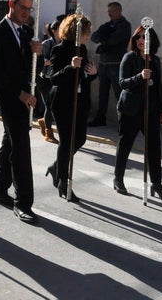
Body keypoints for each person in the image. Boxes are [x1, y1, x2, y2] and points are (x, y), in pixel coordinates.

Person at [0, 0, 43, 223]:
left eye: (29, 9)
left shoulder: (29, 32)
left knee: (10, 141)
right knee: (21, 146)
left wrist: (36, 54)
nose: (26, 13)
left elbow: (31, 69)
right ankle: (24, 203)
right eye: (22, 8)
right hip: (8, 96)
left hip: (25, 95)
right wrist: (19, 93)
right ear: (11, 4)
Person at [113, 26, 162, 201]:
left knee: (154, 148)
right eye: (138, 37)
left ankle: (157, 184)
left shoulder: (155, 60)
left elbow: (158, 87)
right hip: (131, 109)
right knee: (125, 145)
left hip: (151, 110)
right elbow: (122, 83)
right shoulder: (129, 57)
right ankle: (118, 179)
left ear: (152, 41)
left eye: (144, 37)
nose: (141, 40)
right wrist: (140, 76)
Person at [48, 13, 97, 203]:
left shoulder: (83, 49)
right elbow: (54, 78)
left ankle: (56, 167)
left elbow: (85, 76)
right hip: (62, 101)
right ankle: (63, 182)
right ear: (75, 32)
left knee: (80, 139)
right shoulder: (59, 50)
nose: (87, 36)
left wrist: (93, 73)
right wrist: (70, 67)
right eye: (85, 32)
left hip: (80, 101)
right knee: (67, 142)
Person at [89, 2, 131, 127]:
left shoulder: (125, 25)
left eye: (111, 11)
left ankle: (123, 122)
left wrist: (104, 37)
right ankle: (100, 118)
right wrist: (104, 36)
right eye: (108, 11)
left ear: (119, 11)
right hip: (104, 64)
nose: (109, 14)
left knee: (119, 94)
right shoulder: (107, 25)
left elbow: (114, 40)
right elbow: (94, 37)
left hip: (116, 64)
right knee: (103, 94)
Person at [38, 20, 61, 144]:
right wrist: (55, 61)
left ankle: (43, 121)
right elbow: (43, 60)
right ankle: (48, 133)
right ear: (54, 31)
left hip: (57, 79)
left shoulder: (63, 43)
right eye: (60, 29)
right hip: (45, 79)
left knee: (55, 105)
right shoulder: (47, 43)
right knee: (50, 105)